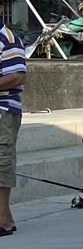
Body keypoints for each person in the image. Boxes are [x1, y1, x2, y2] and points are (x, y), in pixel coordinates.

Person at [0, 21, 27, 237]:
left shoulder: (7, 39)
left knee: (2, 161)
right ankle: (6, 218)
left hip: (3, 109)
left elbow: (18, 75)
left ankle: (2, 221)